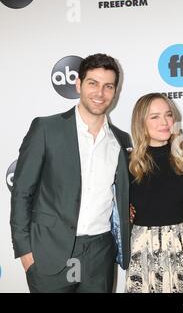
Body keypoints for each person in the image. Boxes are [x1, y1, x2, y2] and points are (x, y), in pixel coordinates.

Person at [10, 53, 132, 293]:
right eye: (93, 83)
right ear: (78, 84)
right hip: (49, 253)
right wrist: (25, 252)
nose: (100, 93)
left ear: (115, 92)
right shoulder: (46, 128)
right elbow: (22, 192)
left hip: (100, 254)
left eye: (108, 86)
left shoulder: (121, 140)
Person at [125, 93, 183, 293]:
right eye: (154, 116)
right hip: (143, 251)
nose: (164, 122)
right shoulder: (127, 162)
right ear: (141, 122)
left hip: (182, 247)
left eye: (168, 115)